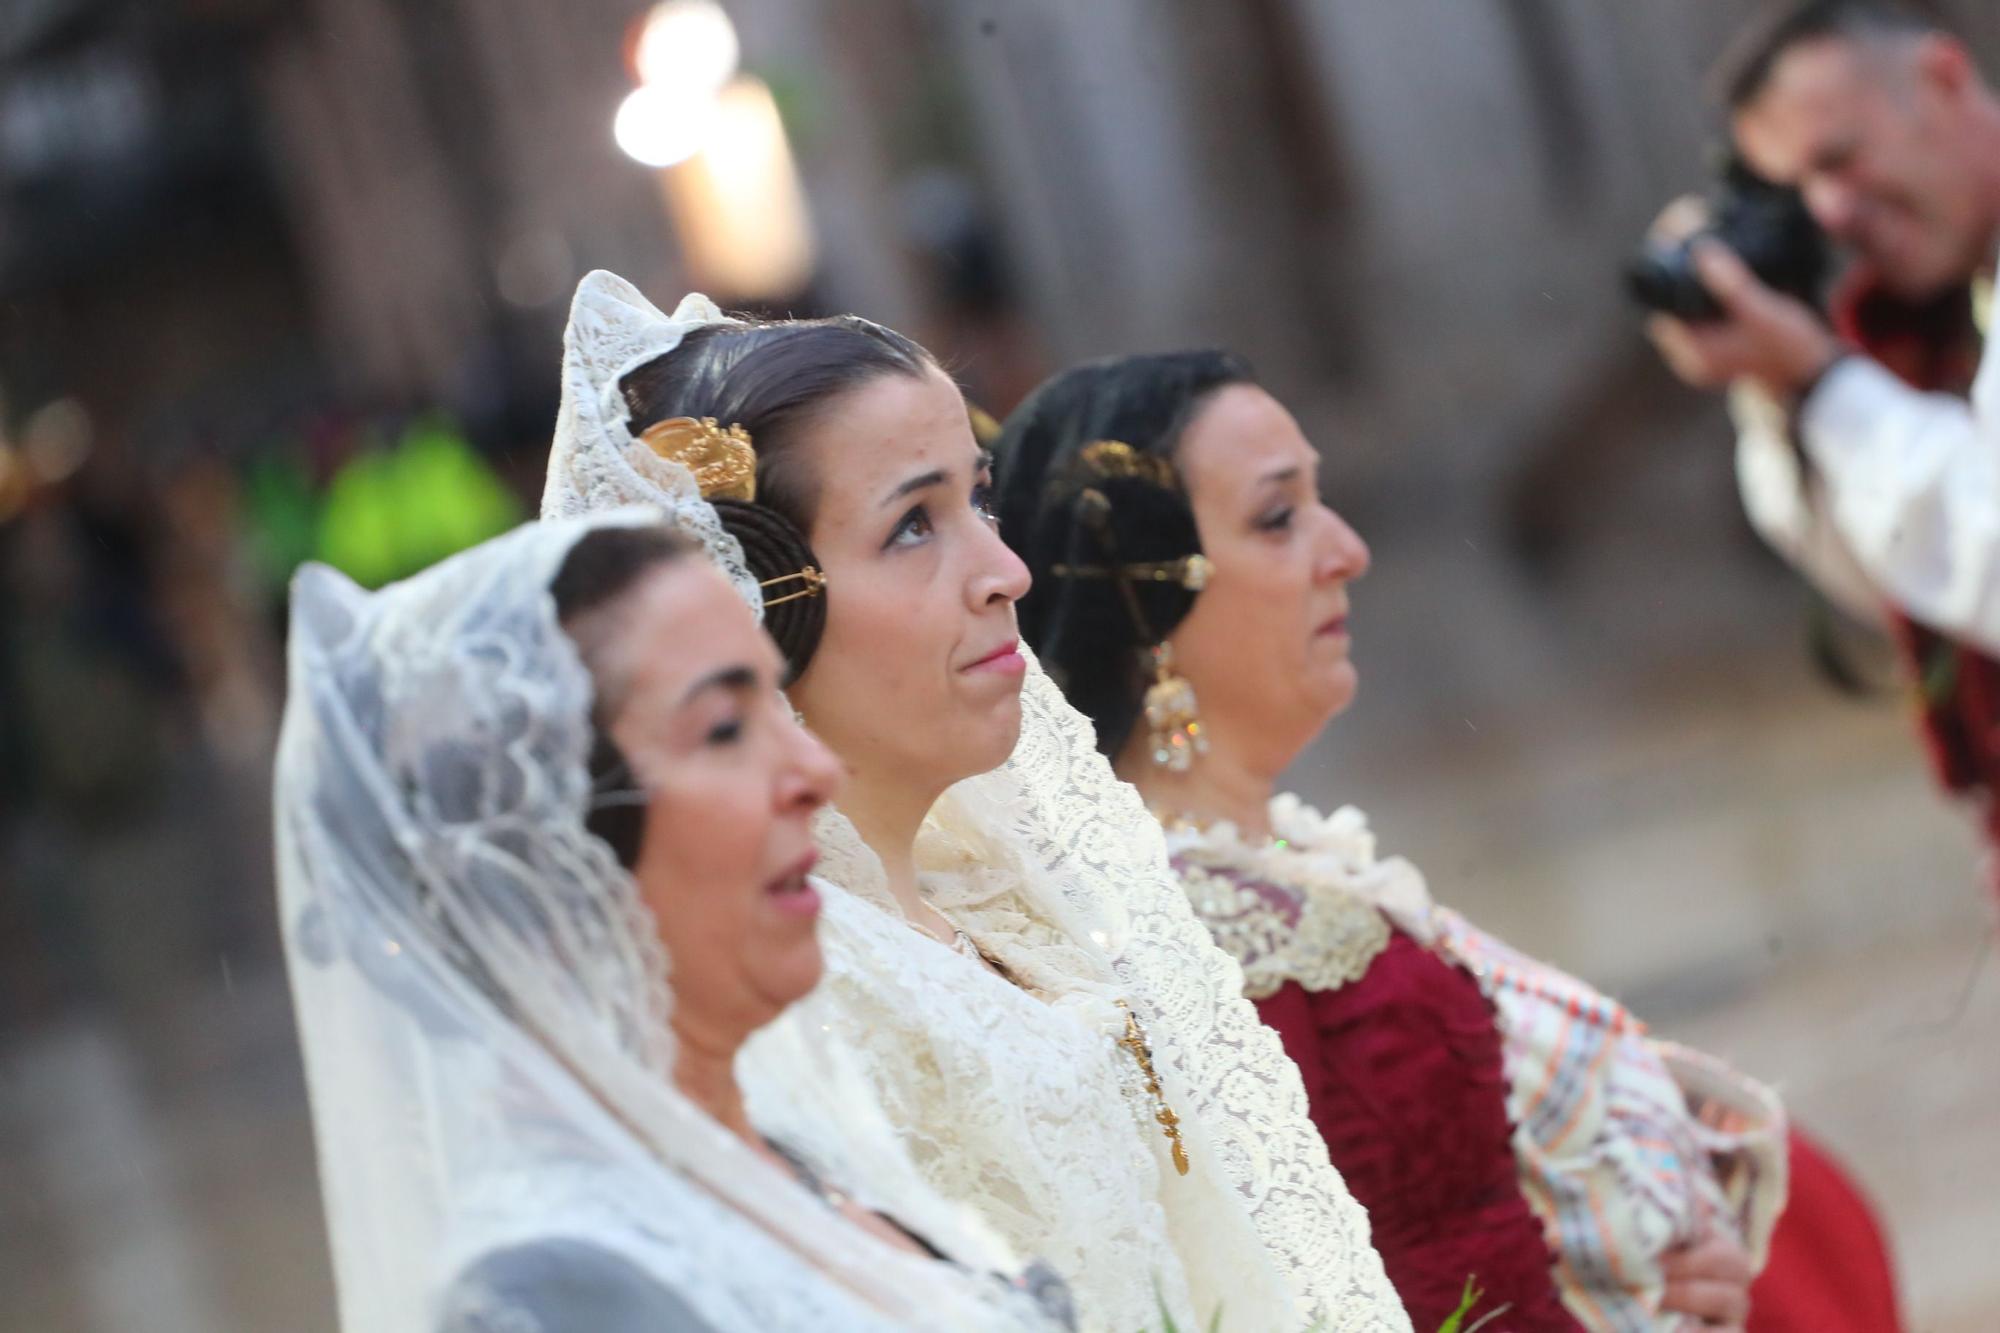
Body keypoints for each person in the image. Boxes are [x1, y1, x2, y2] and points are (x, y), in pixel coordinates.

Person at [541, 271, 1410, 1332]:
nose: (1004, 570)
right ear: (745, 606)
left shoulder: (1007, 891)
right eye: (913, 526)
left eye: (979, 501)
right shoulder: (790, 1003)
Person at [993, 351, 1797, 1333]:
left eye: (1318, 500)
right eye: (1277, 517)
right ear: (1142, 599)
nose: (1345, 550)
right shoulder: (1198, 943)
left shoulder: (1272, 862)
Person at [274, 510, 1077, 1331]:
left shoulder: (773, 1153)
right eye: (725, 728)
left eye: (775, 703)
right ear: (539, 840)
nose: (813, 769)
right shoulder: (558, 1291)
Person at [1646, 0, 2000, 894]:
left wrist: (1827, 385)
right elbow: (1895, 579)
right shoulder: (1920, 318)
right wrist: (1777, 386)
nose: (1834, 212)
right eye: (1799, 191)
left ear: (1945, 79)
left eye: (1841, 158)